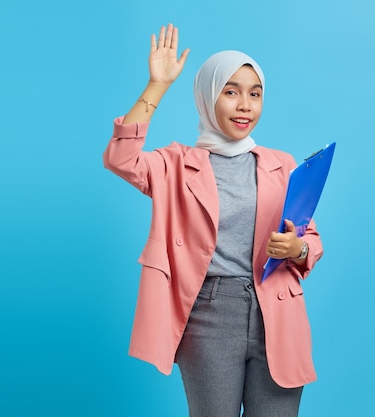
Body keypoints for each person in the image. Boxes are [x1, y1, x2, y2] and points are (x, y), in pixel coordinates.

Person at [103, 23, 324, 417]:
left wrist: (298, 248)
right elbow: (121, 159)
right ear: (207, 96)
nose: (245, 105)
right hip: (208, 312)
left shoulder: (282, 165)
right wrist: (157, 86)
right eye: (231, 92)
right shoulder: (174, 164)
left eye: (255, 94)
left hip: (277, 309)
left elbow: (310, 238)